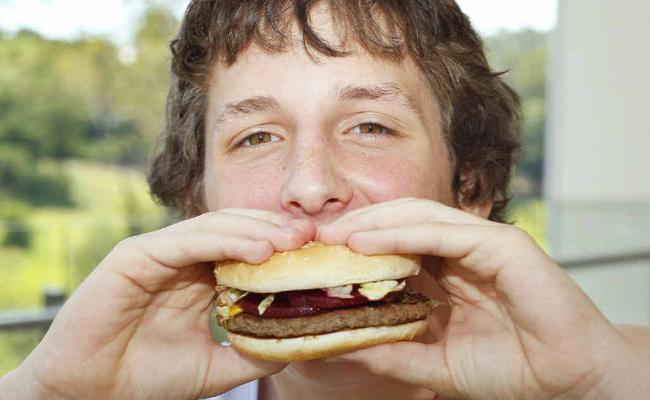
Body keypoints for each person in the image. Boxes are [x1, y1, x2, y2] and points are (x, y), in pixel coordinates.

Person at [2, 1, 650, 399]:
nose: (309, 186)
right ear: (198, 204)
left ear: (470, 186)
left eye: (370, 126)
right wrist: (48, 394)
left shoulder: (606, 375)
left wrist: (601, 387)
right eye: (256, 136)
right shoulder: (106, 392)